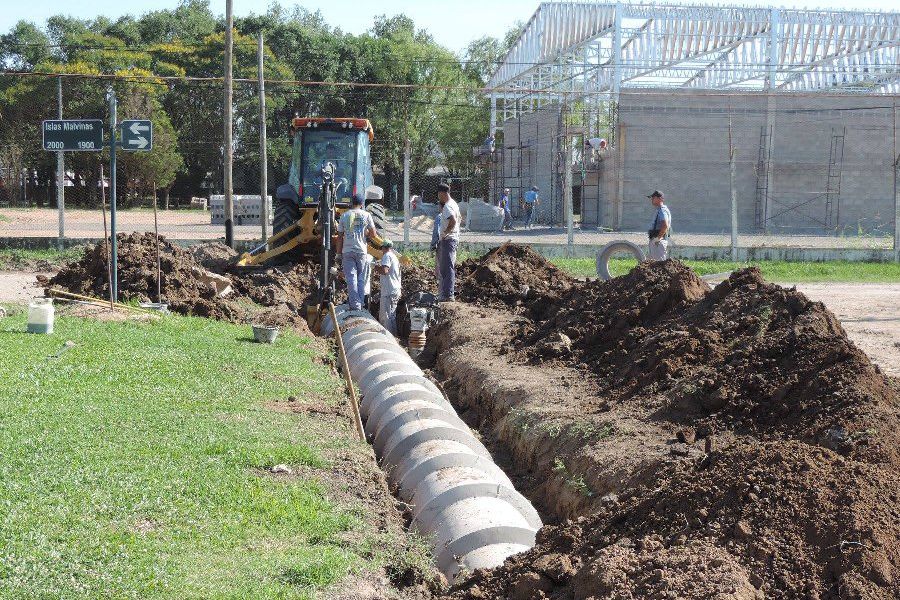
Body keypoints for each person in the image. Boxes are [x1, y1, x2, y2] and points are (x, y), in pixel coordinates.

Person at [336, 194, 377, 310]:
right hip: (361, 251)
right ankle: (361, 303)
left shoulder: (344, 216)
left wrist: (338, 254)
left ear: (351, 203)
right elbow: (373, 234)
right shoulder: (366, 215)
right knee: (361, 278)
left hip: (347, 251)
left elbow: (339, 237)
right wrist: (365, 234)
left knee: (351, 278)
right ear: (362, 204)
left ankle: (355, 304)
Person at [436, 182, 460, 301]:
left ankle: (448, 294)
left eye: (439, 195)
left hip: (449, 240)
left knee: (447, 268)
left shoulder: (448, 206)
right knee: (447, 267)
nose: (438, 197)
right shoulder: (454, 204)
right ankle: (446, 293)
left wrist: (445, 233)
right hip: (452, 239)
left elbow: (453, 221)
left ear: (442, 193)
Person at [374, 239, 401, 334]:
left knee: (386, 317)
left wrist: (375, 267)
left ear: (383, 248)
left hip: (389, 291)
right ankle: (394, 337)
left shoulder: (386, 256)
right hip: (394, 290)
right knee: (391, 316)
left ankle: (389, 337)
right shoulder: (394, 256)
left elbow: (384, 271)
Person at [647, 190, 672, 261]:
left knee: (658, 265)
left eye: (653, 198)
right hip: (657, 240)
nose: (652, 199)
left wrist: (658, 238)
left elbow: (665, 225)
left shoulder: (662, 210)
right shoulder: (659, 210)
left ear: (660, 198)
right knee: (654, 264)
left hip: (658, 241)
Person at [431, 212, 442, 282]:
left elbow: (436, 232)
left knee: (439, 265)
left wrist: (433, 246)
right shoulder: (454, 214)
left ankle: (439, 284)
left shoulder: (439, 217)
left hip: (442, 243)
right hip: (452, 243)